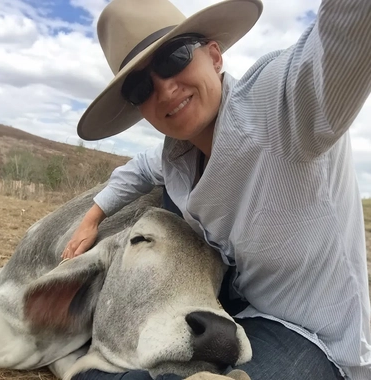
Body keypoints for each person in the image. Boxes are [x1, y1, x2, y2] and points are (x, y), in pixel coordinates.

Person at [62, 0, 371, 379]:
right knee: (163, 203)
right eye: (140, 87)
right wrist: (93, 216)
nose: (164, 89)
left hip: (312, 333)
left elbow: (344, 36)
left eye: (173, 58)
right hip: (235, 307)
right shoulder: (179, 154)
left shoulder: (282, 105)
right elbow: (142, 167)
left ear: (214, 56)